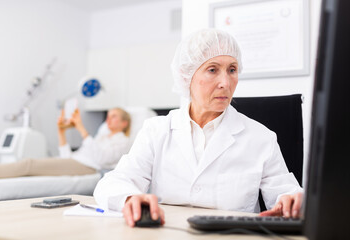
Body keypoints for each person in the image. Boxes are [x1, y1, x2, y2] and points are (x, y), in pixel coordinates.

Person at [93, 29, 303, 227]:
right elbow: (114, 181)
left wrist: (292, 200)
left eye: (232, 70)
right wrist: (130, 197)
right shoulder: (157, 130)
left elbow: (287, 192)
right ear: (187, 76)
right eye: (212, 70)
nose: (225, 82)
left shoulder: (261, 138)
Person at [0, 107, 131, 179]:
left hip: (88, 167)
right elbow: (66, 157)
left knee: (28, 164)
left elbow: (101, 159)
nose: (108, 119)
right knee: (29, 166)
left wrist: (80, 127)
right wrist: (61, 131)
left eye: (113, 116)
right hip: (77, 161)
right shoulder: (101, 137)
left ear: (124, 123)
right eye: (108, 116)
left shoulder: (124, 142)